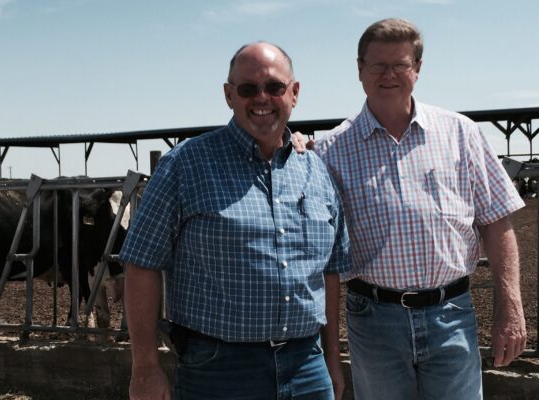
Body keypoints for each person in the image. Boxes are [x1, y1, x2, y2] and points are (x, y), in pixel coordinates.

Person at [120, 41, 351, 400]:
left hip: (306, 363)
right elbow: (141, 264)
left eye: (274, 87)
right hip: (218, 368)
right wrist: (146, 368)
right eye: (248, 89)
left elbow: (330, 272)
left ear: (294, 93)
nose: (262, 98)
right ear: (229, 95)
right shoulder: (186, 164)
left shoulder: (316, 172)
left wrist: (332, 362)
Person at [312, 18, 527, 399]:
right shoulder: (331, 151)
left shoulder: (461, 133)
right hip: (374, 318)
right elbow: (318, 249)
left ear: (418, 69)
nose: (388, 74)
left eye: (400, 64)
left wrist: (510, 308)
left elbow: (497, 222)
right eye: (377, 64)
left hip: (452, 314)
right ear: (360, 69)